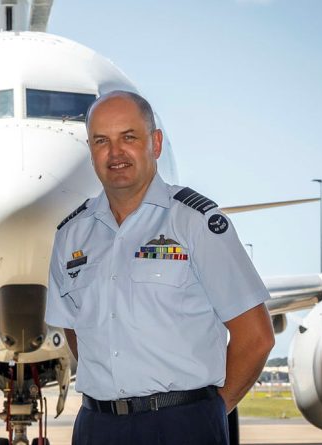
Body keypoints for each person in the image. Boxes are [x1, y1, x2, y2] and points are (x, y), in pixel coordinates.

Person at [45, 90, 275, 444]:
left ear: (155, 143)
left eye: (129, 137)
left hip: (183, 424)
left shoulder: (196, 223)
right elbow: (77, 333)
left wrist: (210, 412)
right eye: (101, 141)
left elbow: (256, 336)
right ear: (91, 151)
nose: (115, 152)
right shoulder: (70, 236)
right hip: (98, 426)